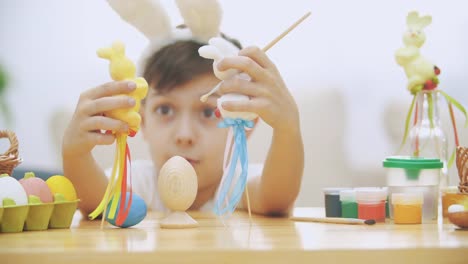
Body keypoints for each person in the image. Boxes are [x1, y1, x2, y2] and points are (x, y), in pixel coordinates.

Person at [62, 0, 304, 217]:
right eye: (165, 110)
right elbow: (96, 203)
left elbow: (276, 201)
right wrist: (75, 154)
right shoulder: (141, 181)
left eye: (208, 112)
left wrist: (288, 131)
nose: (184, 135)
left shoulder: (236, 184)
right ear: (142, 120)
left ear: (244, 124)